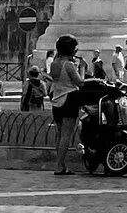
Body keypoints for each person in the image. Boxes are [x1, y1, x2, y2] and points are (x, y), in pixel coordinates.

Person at [46, 36, 86, 176]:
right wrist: (82, 68)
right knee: (66, 135)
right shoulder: (68, 65)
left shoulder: (54, 63)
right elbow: (80, 82)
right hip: (69, 97)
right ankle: (59, 165)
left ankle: (60, 164)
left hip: (57, 98)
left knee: (59, 133)